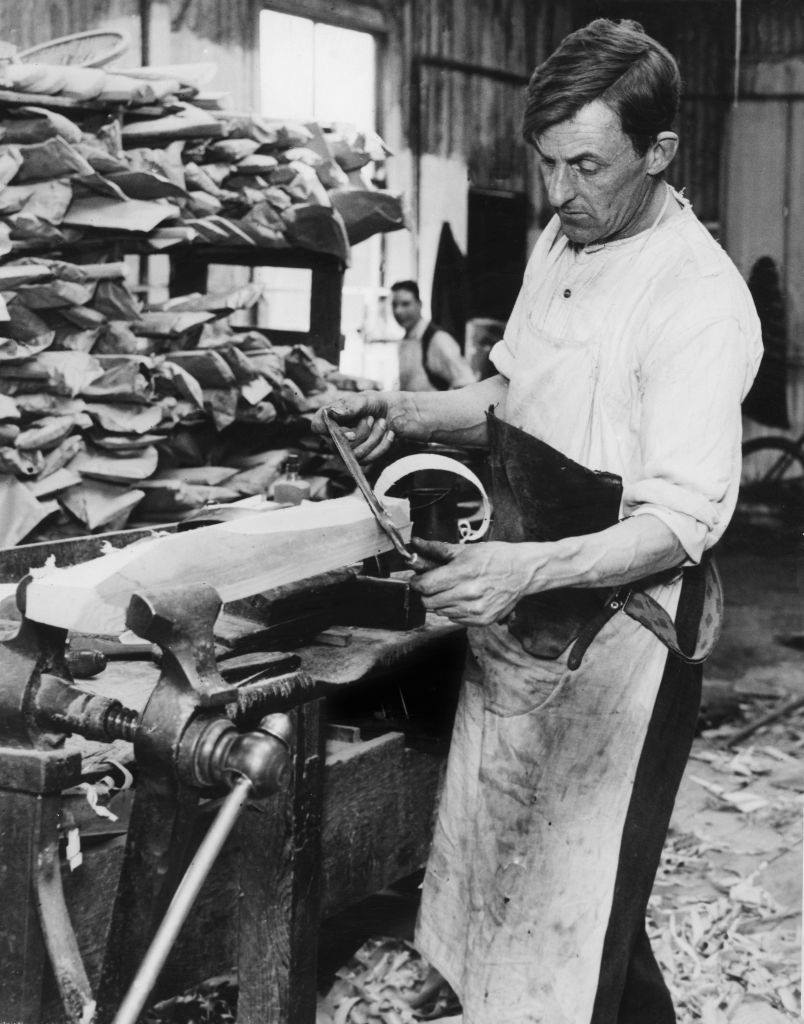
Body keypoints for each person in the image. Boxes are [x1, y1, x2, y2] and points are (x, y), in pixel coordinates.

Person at [315, 19, 761, 1024]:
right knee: (506, 897)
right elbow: (508, 396)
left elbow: (678, 524)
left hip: (621, 649)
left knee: (583, 908)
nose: (562, 194)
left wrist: (519, 570)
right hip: (526, 632)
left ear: (661, 155)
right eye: (549, 163)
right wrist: (398, 411)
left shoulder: (697, 302)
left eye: (588, 165)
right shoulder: (568, 236)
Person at [391, 279, 476, 391]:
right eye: (394, 305)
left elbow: (467, 382)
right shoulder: (404, 341)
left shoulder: (438, 339)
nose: (398, 311)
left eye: (405, 304)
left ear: (419, 304)